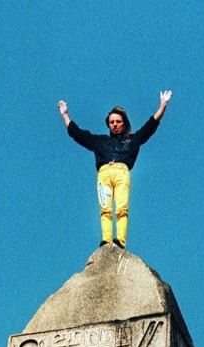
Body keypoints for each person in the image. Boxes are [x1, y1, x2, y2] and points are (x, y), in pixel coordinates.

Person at [57, 91, 172, 248]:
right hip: (104, 174)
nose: (115, 124)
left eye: (118, 121)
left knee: (122, 208)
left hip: (122, 172)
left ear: (124, 123)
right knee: (105, 209)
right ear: (108, 125)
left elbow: (150, 126)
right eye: (112, 122)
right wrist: (65, 115)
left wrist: (163, 105)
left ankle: (120, 241)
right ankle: (106, 240)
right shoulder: (100, 141)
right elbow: (78, 134)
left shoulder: (132, 140)